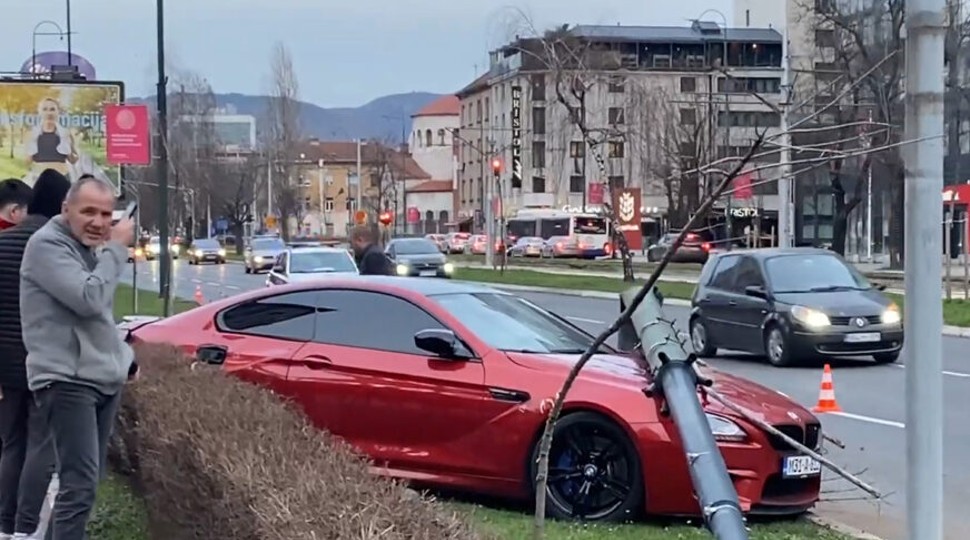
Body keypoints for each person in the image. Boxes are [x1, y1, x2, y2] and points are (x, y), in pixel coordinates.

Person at [19, 175, 138, 540]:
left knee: (84, 483)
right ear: (65, 209)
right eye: (88, 211)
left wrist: (124, 358)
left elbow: (98, 317)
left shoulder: (84, 247)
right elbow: (88, 300)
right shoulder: (47, 246)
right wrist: (116, 250)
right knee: (79, 485)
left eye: (106, 214)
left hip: (98, 378)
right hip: (67, 380)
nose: (99, 222)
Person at [0, 169, 71, 540]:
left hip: (6, 367)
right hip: (45, 363)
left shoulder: (4, 244)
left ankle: (5, 524)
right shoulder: (56, 249)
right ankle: (27, 528)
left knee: (12, 444)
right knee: (41, 446)